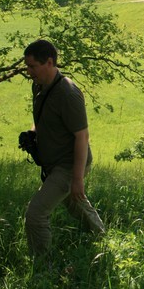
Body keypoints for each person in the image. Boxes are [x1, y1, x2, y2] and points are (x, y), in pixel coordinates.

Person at [22, 39, 104, 258]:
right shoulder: (38, 86)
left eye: (32, 66)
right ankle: (102, 239)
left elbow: (82, 136)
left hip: (69, 165)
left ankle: (42, 267)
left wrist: (77, 179)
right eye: (27, 66)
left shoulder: (68, 93)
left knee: (36, 214)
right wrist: (32, 133)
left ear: (49, 62)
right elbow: (42, 120)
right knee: (75, 204)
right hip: (54, 163)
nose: (28, 71)